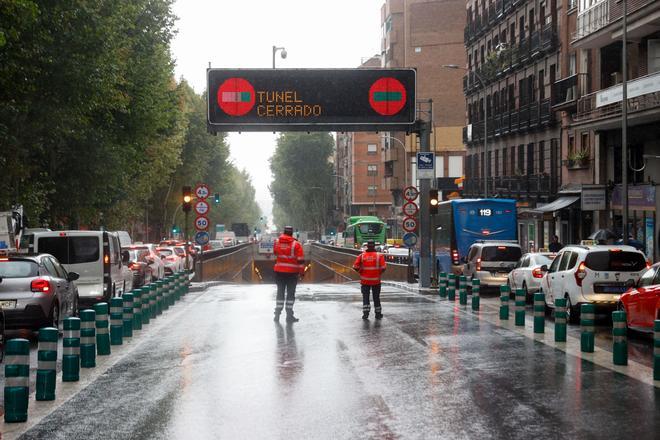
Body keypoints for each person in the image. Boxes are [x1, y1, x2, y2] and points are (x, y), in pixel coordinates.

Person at [273, 226, 305, 323]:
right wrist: (302, 273)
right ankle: (289, 316)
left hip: (279, 272)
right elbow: (300, 260)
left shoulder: (277, 242)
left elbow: (275, 253)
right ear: (292, 233)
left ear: (284, 232)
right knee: (290, 294)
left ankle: (277, 314)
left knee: (280, 293)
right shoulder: (296, 244)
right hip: (292, 273)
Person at [352, 239, 386, 320]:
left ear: (367, 246)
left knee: (365, 297)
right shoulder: (379, 256)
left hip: (365, 281)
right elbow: (384, 267)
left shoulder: (361, 256)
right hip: (376, 281)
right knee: (376, 297)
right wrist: (378, 273)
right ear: (374, 246)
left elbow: (355, 267)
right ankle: (378, 314)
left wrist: (361, 272)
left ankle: (366, 314)